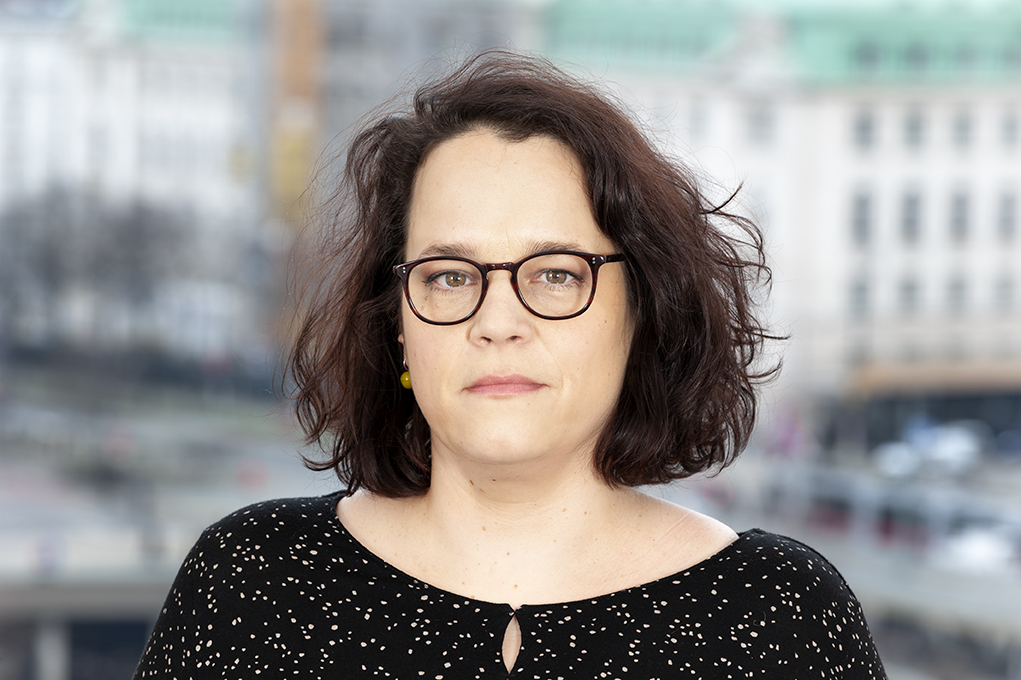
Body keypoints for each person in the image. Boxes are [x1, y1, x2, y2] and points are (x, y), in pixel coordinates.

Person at [134, 50, 886, 678]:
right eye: (448, 277)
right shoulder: (252, 581)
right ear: (397, 328)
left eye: (556, 273)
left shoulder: (783, 616)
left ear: (642, 311)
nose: (497, 323)